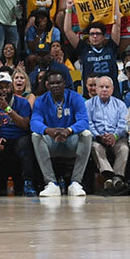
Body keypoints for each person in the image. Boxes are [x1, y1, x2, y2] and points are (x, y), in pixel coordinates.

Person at [31, 67, 92, 197]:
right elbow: (34, 123)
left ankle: (76, 182)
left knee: (87, 134)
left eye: (58, 83)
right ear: (47, 85)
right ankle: (51, 183)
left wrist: (69, 131)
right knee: (36, 135)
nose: (55, 86)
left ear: (64, 83)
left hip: (70, 141)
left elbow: (84, 121)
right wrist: (49, 130)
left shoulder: (75, 97)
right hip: (51, 142)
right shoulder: (41, 100)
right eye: (52, 83)